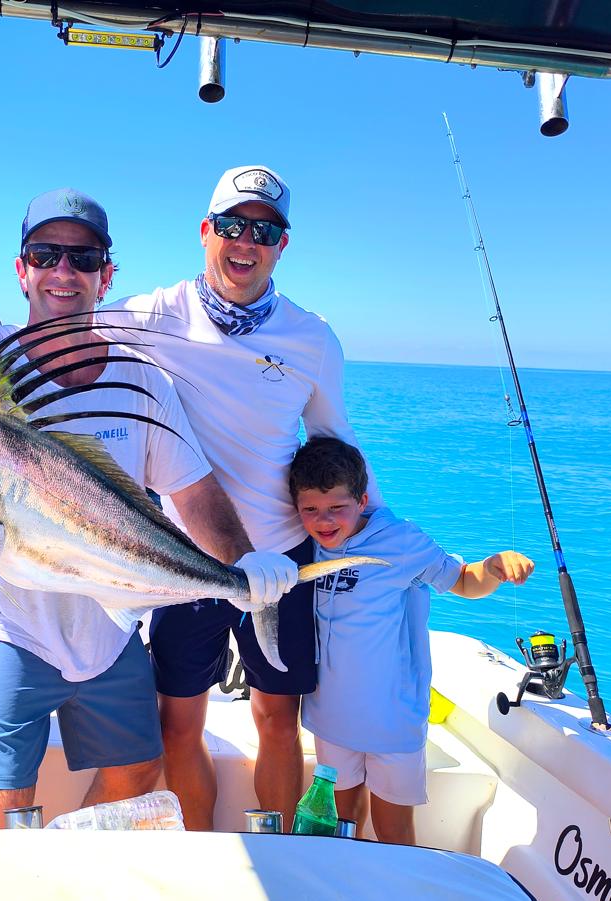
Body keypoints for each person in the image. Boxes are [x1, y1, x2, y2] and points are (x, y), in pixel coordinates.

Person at [0, 189, 296, 829]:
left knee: (139, 781)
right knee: (0, 807)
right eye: (45, 254)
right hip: (10, 624)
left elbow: (192, 492)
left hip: (110, 630)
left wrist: (245, 569)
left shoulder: (141, 379)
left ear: (106, 276)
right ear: (21, 268)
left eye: (82, 258)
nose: (63, 272)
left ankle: (55, 868)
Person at [107, 166, 384, 830]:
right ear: (206, 232)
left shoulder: (312, 337)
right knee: (179, 721)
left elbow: (334, 442)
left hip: (281, 562)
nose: (246, 241)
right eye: (232, 225)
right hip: (185, 562)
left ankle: (279, 850)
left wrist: (391, 544)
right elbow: (62, 335)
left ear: (282, 246)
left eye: (264, 230)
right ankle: (203, 849)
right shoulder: (152, 314)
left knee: (276, 718)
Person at [289, 436, 535, 844]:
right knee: (337, 823)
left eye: (337, 508)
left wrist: (492, 566)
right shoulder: (305, 546)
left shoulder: (401, 541)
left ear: (363, 499)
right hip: (331, 717)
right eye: (310, 510)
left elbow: (462, 582)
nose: (324, 521)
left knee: (394, 830)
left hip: (394, 719)